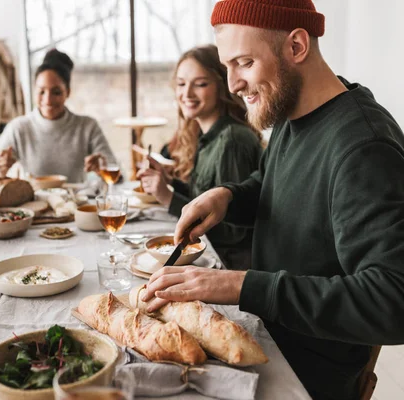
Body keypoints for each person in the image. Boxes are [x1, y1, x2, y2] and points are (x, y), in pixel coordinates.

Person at [140, 1, 404, 399]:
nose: (232, 84)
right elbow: (273, 184)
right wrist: (228, 195)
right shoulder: (293, 113)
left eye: (244, 62)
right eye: (227, 66)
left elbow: (391, 301)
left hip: (309, 374)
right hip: (266, 338)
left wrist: (243, 285)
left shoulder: (363, 147)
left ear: (297, 46)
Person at [138, 45, 262, 269]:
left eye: (201, 84)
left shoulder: (233, 140)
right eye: (181, 84)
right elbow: (205, 198)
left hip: (226, 266)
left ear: (223, 86)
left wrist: (168, 197)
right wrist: (169, 182)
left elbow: (233, 233)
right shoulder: (205, 136)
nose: (187, 94)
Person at [0, 49, 117, 184]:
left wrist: (101, 168)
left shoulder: (87, 126)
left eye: (56, 92)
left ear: (68, 92)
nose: (48, 100)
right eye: (41, 92)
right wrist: (0, 171)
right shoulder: (18, 128)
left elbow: (118, 175)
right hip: (32, 204)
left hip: (75, 204)